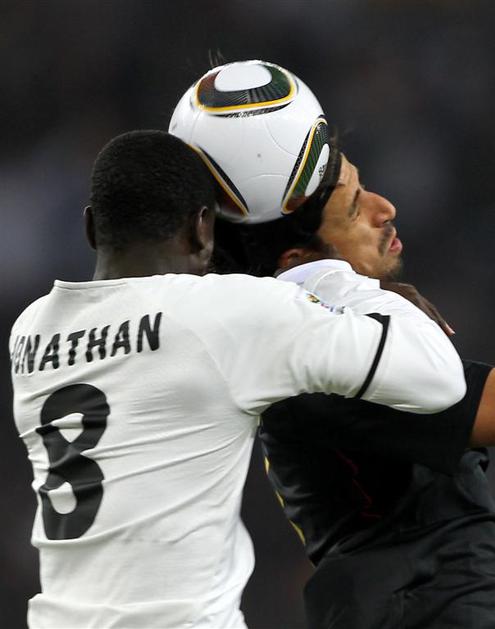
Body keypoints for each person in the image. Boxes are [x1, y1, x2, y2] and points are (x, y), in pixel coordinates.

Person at [9, 130, 465, 629]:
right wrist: (343, 282)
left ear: (91, 227)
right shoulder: (224, 314)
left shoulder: (31, 331)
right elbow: (439, 378)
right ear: (201, 227)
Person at [215, 148, 495, 628]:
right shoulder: (328, 365)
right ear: (299, 262)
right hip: (427, 608)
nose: (384, 208)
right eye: (354, 208)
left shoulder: (319, 345)